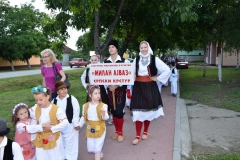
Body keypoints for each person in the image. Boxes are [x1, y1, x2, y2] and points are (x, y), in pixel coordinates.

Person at [130, 41, 171, 145]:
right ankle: (137, 135)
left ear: (148, 48)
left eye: (145, 47)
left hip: (150, 87)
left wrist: (157, 78)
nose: (143, 49)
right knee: (138, 112)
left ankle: (145, 132)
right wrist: (132, 76)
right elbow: (131, 72)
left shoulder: (154, 59)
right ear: (139, 49)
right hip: (138, 87)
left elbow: (167, 70)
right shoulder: (136, 59)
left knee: (148, 112)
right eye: (141, 47)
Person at [28, 85, 69, 160]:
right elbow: (30, 118)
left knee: (54, 156)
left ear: (48, 97)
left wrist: (52, 128)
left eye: (40, 100)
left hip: (53, 139)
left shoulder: (56, 109)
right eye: (36, 100)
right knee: (42, 156)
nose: (38, 102)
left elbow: (65, 123)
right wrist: (32, 138)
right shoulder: (35, 109)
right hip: (41, 139)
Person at [104, 40, 127, 142]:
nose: (111, 49)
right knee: (113, 112)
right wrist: (109, 85)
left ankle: (121, 132)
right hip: (110, 91)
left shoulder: (124, 61)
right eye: (109, 47)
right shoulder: (105, 62)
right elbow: (103, 77)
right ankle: (116, 131)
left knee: (119, 111)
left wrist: (117, 84)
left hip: (120, 91)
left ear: (117, 48)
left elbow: (127, 76)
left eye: (113, 47)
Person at [79, 85, 109, 160]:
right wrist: (79, 125)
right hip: (90, 128)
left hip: (100, 128)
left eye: (99, 93)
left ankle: (98, 155)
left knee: (98, 145)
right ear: (90, 95)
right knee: (92, 145)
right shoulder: (85, 106)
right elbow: (84, 117)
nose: (98, 95)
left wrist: (104, 113)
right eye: (95, 93)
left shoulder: (103, 106)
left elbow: (106, 118)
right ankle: (99, 152)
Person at [52, 81, 80, 160]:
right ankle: (63, 157)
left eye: (65, 89)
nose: (64, 90)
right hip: (60, 127)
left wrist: (75, 123)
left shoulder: (72, 99)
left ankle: (71, 158)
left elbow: (76, 111)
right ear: (57, 92)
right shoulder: (54, 101)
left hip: (70, 125)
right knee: (61, 143)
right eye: (61, 89)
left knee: (71, 143)